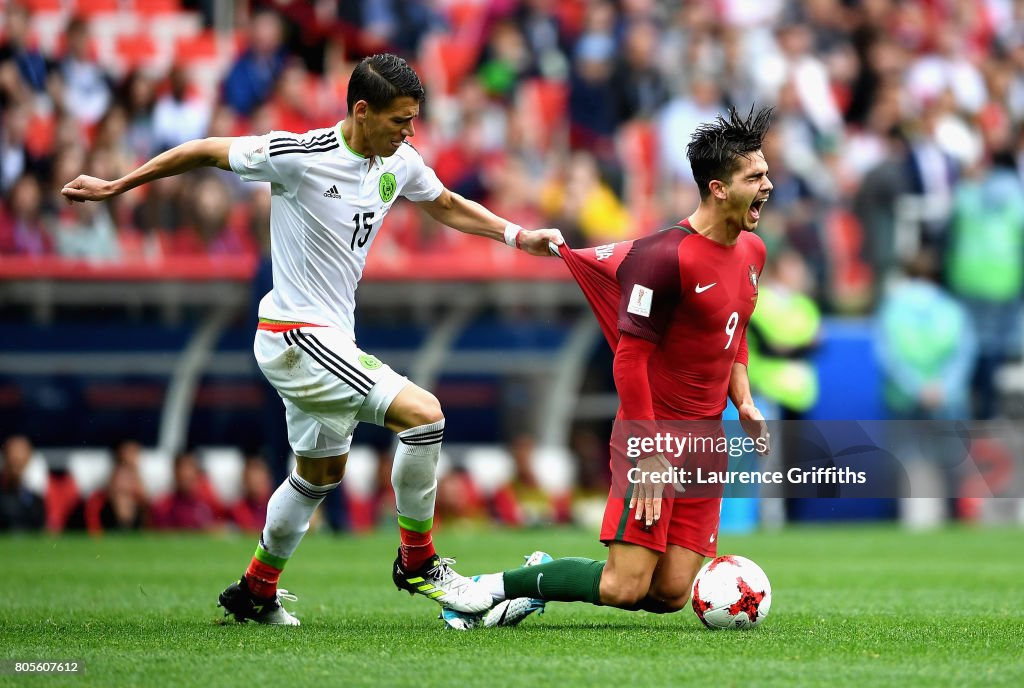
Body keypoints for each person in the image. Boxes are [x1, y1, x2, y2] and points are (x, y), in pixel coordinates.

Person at [62, 53, 563, 626]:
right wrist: (116, 186)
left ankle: (256, 588)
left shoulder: (398, 160)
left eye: (414, 120)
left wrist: (517, 235)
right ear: (361, 111)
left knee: (317, 476)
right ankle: (420, 563)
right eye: (401, 120)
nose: (410, 132)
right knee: (425, 416)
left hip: (328, 338)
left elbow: (445, 203)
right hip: (295, 335)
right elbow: (203, 149)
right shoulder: (299, 156)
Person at [443, 107, 772, 630]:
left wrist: (745, 400)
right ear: (717, 188)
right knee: (622, 587)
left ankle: (546, 576)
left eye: (766, 174)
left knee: (668, 594)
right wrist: (648, 452)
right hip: (654, 437)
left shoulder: (753, 251)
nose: (767, 185)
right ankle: (497, 587)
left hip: (707, 442)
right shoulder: (666, 257)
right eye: (755, 177)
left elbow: (733, 332)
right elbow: (630, 356)